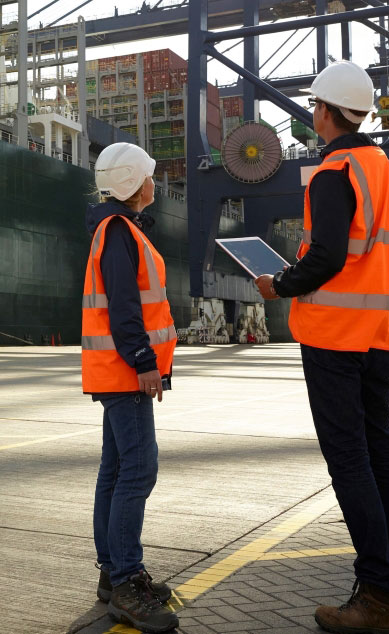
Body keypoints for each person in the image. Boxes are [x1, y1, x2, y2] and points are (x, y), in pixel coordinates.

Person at [255, 60, 389, 634]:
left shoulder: (334, 172)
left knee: (349, 459)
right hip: (381, 337)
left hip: (334, 338)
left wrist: (279, 283)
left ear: (322, 112)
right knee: (381, 449)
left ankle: (378, 596)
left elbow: (325, 257)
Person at [82, 142, 179, 633]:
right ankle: (124, 581)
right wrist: (145, 362)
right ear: (130, 184)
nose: (154, 183)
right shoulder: (119, 232)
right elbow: (125, 308)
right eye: (148, 176)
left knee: (115, 468)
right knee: (139, 470)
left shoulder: (115, 229)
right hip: (125, 371)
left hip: (114, 371)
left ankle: (114, 572)